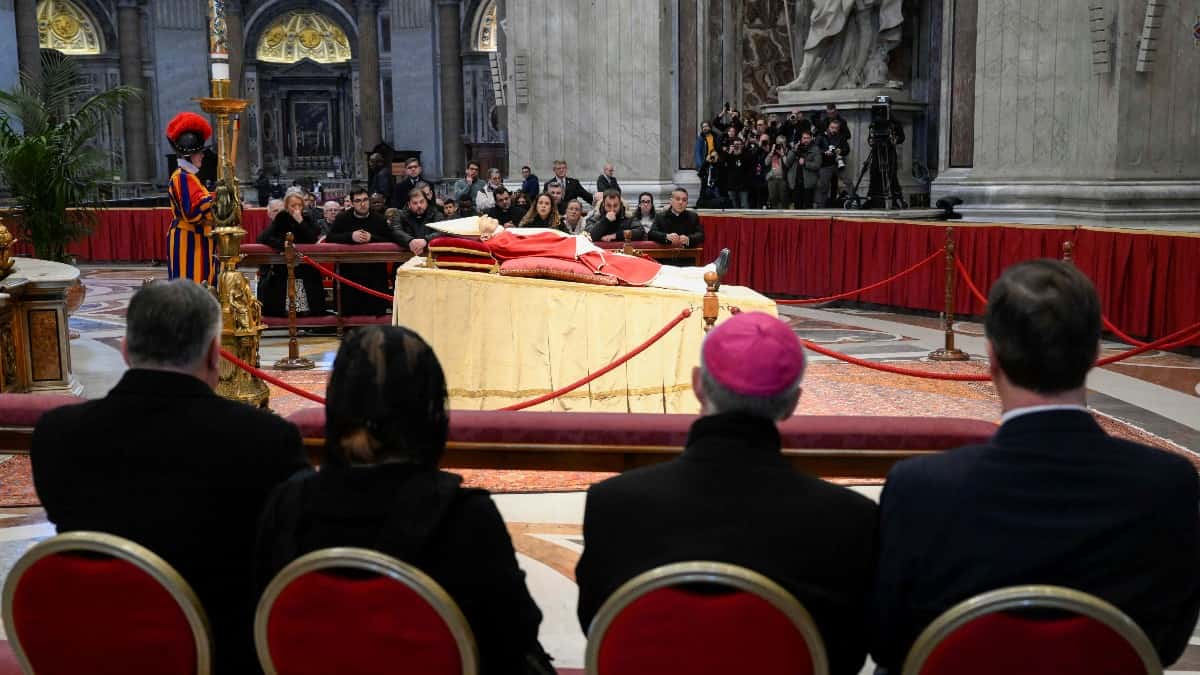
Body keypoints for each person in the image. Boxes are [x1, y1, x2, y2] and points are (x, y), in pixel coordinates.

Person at [869, 259, 1200, 673]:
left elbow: (888, 641)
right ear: (1096, 354)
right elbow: (1163, 645)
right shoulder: (1169, 485)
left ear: (991, 358)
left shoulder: (920, 487)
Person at [574, 311, 877, 674]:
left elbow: (598, 628)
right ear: (793, 403)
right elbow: (847, 655)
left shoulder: (614, 504)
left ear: (698, 384)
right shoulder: (849, 518)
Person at [31, 280, 308, 674]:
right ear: (215, 355)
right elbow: (287, 564)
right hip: (223, 655)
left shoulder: (57, 435)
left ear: (125, 351)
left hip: (96, 654)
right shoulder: (265, 441)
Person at [255, 326, 554, 675]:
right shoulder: (465, 518)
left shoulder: (288, 504)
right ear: (427, 409)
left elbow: (261, 618)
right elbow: (515, 633)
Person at [464, 216, 730, 293]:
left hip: (577, 248)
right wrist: (574, 245)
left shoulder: (503, 233)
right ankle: (703, 278)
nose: (485, 216)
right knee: (639, 271)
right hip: (579, 255)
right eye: (481, 220)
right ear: (484, 236)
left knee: (637, 264)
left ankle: (704, 273)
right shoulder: (499, 242)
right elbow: (540, 246)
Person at [256, 192, 327, 317]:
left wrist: (300, 221)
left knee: (310, 285)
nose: (297, 208)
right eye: (293, 205)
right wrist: (283, 244)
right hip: (285, 264)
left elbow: (312, 238)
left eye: (299, 205)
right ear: (287, 206)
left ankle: (309, 316)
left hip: (305, 263)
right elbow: (263, 237)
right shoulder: (282, 217)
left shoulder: (308, 217)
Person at [165, 112, 216, 283]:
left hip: (195, 239)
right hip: (188, 239)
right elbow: (192, 212)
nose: (202, 155)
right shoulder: (183, 177)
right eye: (199, 152)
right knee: (189, 287)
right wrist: (217, 200)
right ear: (189, 155)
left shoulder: (189, 176)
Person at [325, 187, 392, 316]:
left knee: (374, 312)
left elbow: (389, 239)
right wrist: (351, 236)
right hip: (349, 271)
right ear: (352, 203)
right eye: (358, 201)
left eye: (365, 200)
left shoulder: (379, 219)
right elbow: (330, 238)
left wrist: (371, 238)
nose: (363, 204)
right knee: (350, 312)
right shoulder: (342, 218)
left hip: (374, 271)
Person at [389, 187, 444, 256]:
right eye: (415, 203)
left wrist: (426, 240)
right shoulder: (399, 214)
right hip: (404, 258)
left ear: (426, 202)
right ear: (409, 204)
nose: (419, 205)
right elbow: (395, 230)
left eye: (422, 201)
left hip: (430, 257)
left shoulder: (436, 214)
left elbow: (442, 231)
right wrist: (410, 241)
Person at [816, 118, 850, 208]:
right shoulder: (821, 136)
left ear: (838, 129)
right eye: (832, 127)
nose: (834, 129)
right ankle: (821, 207)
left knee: (848, 182)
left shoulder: (841, 137)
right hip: (826, 164)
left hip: (838, 163)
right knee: (823, 187)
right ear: (828, 127)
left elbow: (847, 149)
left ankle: (854, 202)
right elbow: (815, 149)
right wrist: (824, 152)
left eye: (836, 128)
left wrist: (841, 150)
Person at [792, 131, 822, 209]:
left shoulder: (816, 149)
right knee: (797, 207)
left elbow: (817, 165)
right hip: (796, 182)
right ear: (801, 139)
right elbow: (788, 162)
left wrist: (805, 163)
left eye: (808, 138)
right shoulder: (797, 148)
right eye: (804, 138)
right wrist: (793, 150)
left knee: (807, 207)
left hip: (808, 183)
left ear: (811, 138)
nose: (806, 140)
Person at [719, 138, 752, 209]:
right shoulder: (729, 156)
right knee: (733, 207)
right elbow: (721, 164)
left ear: (742, 145)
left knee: (745, 206)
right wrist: (729, 153)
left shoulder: (746, 155)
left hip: (743, 187)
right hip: (731, 186)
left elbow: (749, 165)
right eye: (735, 145)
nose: (737, 146)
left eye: (739, 145)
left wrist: (741, 153)